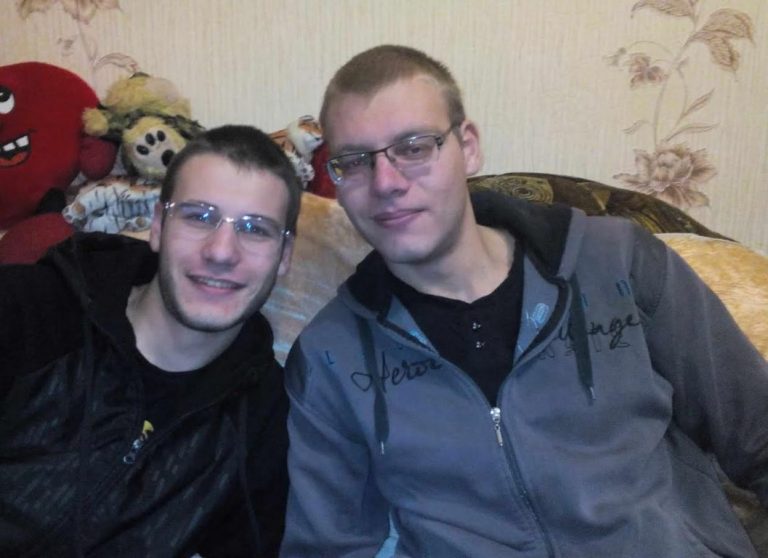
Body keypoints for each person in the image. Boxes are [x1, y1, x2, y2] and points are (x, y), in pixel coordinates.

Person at [280, 45, 768, 557]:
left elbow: (758, 435)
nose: (386, 183)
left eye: (415, 147)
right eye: (355, 162)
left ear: (468, 147)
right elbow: (330, 548)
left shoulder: (618, 262)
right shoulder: (331, 356)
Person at [0, 125, 300, 557]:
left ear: (284, 256)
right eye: (198, 216)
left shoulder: (264, 421)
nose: (221, 252)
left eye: (255, 229)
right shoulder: (32, 309)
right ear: (158, 226)